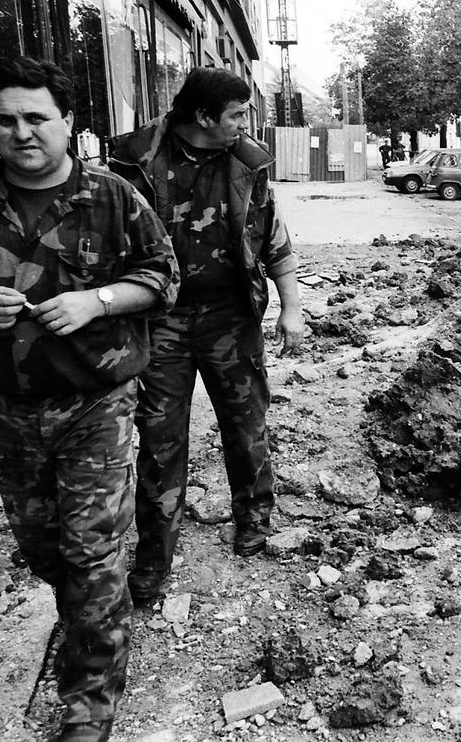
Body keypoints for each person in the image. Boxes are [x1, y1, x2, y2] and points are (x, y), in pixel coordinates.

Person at [0, 57, 179, 742]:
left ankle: (89, 701)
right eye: (4, 120)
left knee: (91, 550)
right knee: (43, 547)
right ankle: (87, 620)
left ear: (67, 121)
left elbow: (163, 277)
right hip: (9, 406)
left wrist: (98, 299)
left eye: (36, 117)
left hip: (96, 403)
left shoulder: (112, 196)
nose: (22, 132)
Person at [108, 67, 305, 607]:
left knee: (246, 423)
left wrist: (291, 306)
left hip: (230, 318)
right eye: (237, 114)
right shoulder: (134, 162)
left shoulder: (245, 162)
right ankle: (155, 557)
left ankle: (254, 518)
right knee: (160, 440)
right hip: (158, 322)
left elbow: (273, 236)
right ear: (202, 116)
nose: (245, 124)